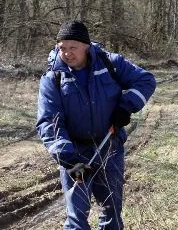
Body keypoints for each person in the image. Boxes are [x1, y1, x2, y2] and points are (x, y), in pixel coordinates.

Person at [36, 21, 156, 230]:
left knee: (112, 213)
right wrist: (68, 159)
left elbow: (146, 80)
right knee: (76, 219)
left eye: (73, 47)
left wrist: (126, 107)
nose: (67, 53)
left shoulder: (111, 63)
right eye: (62, 47)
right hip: (75, 154)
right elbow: (49, 121)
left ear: (87, 46)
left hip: (110, 147)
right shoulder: (52, 78)